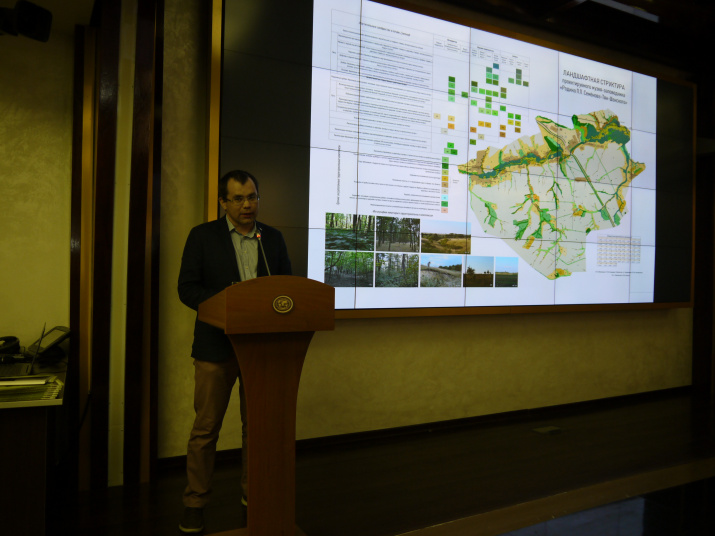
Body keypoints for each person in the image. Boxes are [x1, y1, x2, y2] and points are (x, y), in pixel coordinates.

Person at [177, 170, 292, 533]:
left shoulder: (272, 238)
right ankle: (195, 502)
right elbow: (187, 289)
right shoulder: (202, 236)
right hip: (216, 348)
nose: (247, 205)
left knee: (256, 428)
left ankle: (252, 493)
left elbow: (286, 288)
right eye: (239, 198)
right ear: (223, 202)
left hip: (260, 348)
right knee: (205, 429)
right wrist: (227, 304)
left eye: (252, 197)